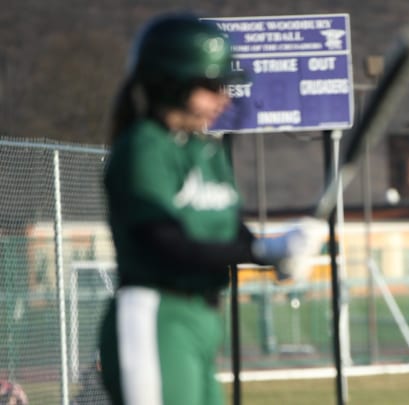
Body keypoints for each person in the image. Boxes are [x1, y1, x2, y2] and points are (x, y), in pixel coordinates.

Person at [98, 14, 324, 405]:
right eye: (210, 85)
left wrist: (277, 252)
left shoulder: (206, 151)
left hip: (203, 320)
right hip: (156, 316)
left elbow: (230, 232)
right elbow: (161, 240)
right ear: (170, 81)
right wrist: (260, 251)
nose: (224, 96)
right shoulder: (143, 147)